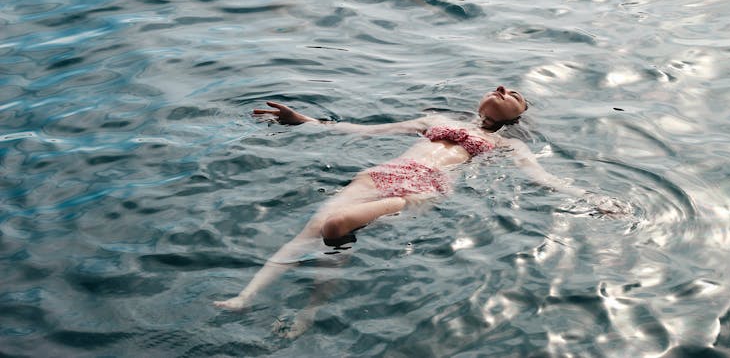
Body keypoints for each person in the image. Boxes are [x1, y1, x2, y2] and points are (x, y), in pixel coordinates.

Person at [214, 85, 619, 312]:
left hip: (423, 188)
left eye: (513, 92)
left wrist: (592, 198)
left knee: (335, 226)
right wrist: (302, 121)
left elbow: (545, 179)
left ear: (517, 116)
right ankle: (245, 297)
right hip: (382, 174)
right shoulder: (433, 121)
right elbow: (362, 131)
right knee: (312, 231)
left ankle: (310, 311)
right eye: (498, 85)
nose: (502, 88)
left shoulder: (508, 147)